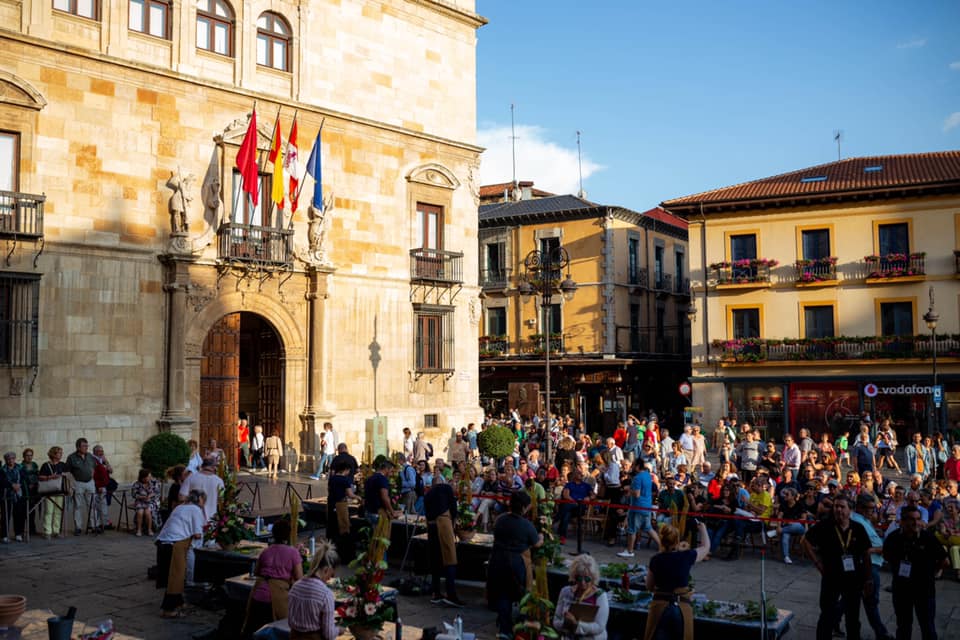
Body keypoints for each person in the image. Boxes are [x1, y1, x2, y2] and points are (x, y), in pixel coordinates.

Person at [801, 495, 873, 640]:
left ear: (850, 510)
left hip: (853, 578)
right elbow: (805, 541)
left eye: (842, 507)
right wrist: (817, 563)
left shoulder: (857, 528)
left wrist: (868, 578)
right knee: (827, 615)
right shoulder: (825, 525)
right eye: (836, 506)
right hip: (831, 576)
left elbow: (866, 554)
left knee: (852, 617)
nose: (838, 509)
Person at [883, 504, 949, 640]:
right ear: (902, 521)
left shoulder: (928, 538)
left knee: (927, 627)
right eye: (912, 519)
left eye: (918, 519)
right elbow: (887, 556)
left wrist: (932, 572)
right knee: (903, 626)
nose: (916, 523)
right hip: (901, 590)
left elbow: (944, 560)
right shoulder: (893, 538)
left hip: (924, 590)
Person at [487, 490, 542, 640]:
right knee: (520, 595)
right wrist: (542, 537)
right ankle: (520, 628)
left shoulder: (500, 519)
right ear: (524, 507)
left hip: (497, 560)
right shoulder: (526, 524)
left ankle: (505, 628)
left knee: (503, 595)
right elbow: (536, 543)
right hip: (515, 563)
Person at [642, 520, 710, 640]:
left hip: (660, 607)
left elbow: (649, 586)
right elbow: (705, 547)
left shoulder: (656, 560)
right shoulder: (686, 556)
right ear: (677, 541)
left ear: (661, 540)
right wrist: (703, 529)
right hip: (681, 606)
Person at [242, 518, 304, 638]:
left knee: (254, 631)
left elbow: (257, 572)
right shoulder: (293, 553)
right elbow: (300, 579)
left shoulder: (266, 551)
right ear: (288, 535)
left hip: (257, 594)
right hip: (276, 598)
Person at [156, 489, 206, 618]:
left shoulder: (181, 507)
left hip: (163, 542)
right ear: (199, 499)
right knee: (176, 578)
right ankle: (168, 609)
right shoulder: (195, 510)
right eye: (203, 499)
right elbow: (197, 534)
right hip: (175, 544)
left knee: (173, 576)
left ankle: (179, 602)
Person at [849, 494, 894, 640]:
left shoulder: (864, 521)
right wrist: (883, 548)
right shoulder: (858, 521)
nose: (872, 511)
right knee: (870, 601)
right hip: (868, 566)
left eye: (873, 508)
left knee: (854, 599)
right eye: (869, 508)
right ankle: (881, 633)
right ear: (860, 507)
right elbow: (868, 548)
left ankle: (833, 622)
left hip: (871, 563)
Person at [287, 538, 341, 640]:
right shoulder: (326, 594)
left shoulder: (296, 586)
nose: (331, 578)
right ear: (326, 570)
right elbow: (329, 634)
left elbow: (290, 621)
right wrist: (339, 629)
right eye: (331, 574)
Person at [552, 554, 610, 640]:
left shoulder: (600, 596)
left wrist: (576, 624)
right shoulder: (566, 591)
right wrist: (566, 623)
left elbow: (600, 627)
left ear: (593, 577)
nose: (582, 582)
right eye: (578, 578)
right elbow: (556, 620)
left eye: (587, 579)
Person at [424, 475, 461, 606]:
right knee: (450, 558)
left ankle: (436, 593)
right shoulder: (446, 488)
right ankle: (451, 594)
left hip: (431, 525)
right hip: (444, 523)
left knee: (435, 559)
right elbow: (453, 508)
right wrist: (455, 523)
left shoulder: (428, 494)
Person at [619, 460, 659, 558]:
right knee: (648, 528)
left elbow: (637, 494)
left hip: (637, 507)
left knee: (632, 529)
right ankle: (662, 546)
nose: (631, 467)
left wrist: (628, 490)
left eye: (633, 465)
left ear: (637, 466)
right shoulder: (647, 475)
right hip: (647, 506)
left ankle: (629, 551)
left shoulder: (637, 478)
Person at [65, 437, 97, 536]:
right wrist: (72, 483)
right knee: (78, 506)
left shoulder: (90, 456)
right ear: (78, 447)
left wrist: (91, 475)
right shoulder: (71, 457)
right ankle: (78, 527)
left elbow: (94, 467)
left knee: (92, 505)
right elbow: (67, 472)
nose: (86, 448)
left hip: (90, 483)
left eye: (87, 446)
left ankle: (93, 525)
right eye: (84, 446)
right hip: (78, 483)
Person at [325, 461, 356, 561]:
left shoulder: (332, 478)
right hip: (340, 505)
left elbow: (329, 490)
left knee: (332, 527)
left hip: (331, 504)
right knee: (343, 528)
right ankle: (343, 552)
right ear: (346, 470)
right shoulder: (344, 480)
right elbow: (350, 494)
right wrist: (358, 497)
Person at [38, 446, 67, 539]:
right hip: (49, 491)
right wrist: (50, 477)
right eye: (59, 453)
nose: (61, 454)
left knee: (58, 511)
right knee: (49, 511)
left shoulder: (62, 464)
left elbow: (67, 475)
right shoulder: (46, 465)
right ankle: (47, 531)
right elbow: (40, 477)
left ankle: (56, 530)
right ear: (54, 454)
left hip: (60, 490)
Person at [1, 452, 27, 543]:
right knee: (6, 515)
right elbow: (2, 481)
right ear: (6, 460)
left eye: (12, 458)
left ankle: (18, 534)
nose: (11, 460)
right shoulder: (2, 470)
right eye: (8, 459)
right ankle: (4, 535)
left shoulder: (20, 468)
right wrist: (12, 485)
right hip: (7, 494)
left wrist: (18, 485)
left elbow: (24, 477)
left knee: (19, 514)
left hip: (18, 494)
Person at [363, 459, 397, 525]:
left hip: (368, 511)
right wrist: (392, 512)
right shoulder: (382, 479)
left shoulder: (370, 478)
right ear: (386, 469)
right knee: (380, 534)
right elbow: (385, 497)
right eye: (391, 471)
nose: (391, 474)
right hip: (378, 512)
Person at [131, 468, 159, 537]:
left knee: (147, 512)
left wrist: (149, 496)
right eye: (148, 476)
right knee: (140, 512)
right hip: (140, 501)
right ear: (143, 477)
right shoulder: (137, 484)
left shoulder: (154, 482)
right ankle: (139, 530)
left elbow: (157, 492)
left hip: (151, 501)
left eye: (150, 476)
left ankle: (149, 529)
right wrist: (142, 497)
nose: (150, 478)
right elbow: (134, 494)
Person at [19, 449, 39, 536]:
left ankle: (32, 530)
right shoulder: (20, 466)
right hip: (25, 491)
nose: (29, 457)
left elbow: (37, 475)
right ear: (24, 456)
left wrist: (34, 484)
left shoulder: (34, 465)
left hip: (34, 490)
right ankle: (22, 531)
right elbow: (20, 479)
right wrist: (27, 485)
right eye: (27, 455)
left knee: (32, 511)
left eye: (31, 455)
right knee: (23, 512)